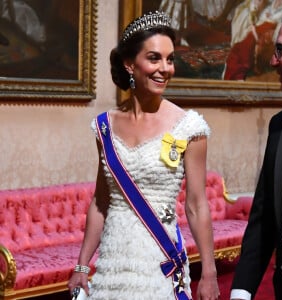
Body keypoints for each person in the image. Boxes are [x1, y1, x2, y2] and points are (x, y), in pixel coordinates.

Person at [67, 11, 220, 300]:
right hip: (114, 262)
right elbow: (101, 201)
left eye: (170, 59)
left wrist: (209, 273)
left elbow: (198, 205)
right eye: (154, 58)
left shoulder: (189, 127)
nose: (165, 68)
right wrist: (82, 265)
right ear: (129, 64)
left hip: (159, 262)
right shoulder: (104, 127)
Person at [230, 9, 282, 300]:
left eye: (281, 50)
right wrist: (241, 292)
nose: (273, 60)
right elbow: (262, 220)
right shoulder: (280, 126)